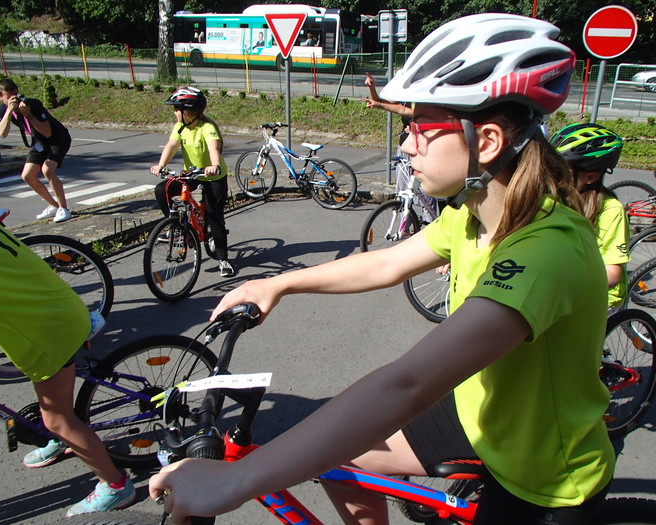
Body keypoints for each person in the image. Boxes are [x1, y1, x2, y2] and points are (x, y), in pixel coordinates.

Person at [150, 14, 615, 525]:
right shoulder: (472, 214)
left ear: (485, 141)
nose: (406, 144)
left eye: (420, 128)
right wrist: (277, 283)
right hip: (481, 412)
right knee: (343, 458)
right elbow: (390, 262)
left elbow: (408, 384)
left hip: (541, 477)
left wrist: (234, 481)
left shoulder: (545, 251)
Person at [0, 214, 136, 517]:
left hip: (45, 327)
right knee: (53, 404)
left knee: (57, 418)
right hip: (56, 304)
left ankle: (116, 485)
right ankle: (60, 438)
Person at [150, 86, 234, 277]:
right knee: (162, 189)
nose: (174, 113)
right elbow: (172, 145)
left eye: (176, 109)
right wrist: (161, 165)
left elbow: (214, 149)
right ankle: (177, 227)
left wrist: (214, 165)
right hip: (192, 174)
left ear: (187, 111)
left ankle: (223, 260)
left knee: (214, 217)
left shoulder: (207, 128)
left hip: (213, 176)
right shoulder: (180, 127)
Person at [550, 123, 630, 308]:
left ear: (590, 177)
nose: (552, 175)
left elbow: (612, 272)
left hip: (599, 297)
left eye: (561, 170)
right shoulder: (554, 199)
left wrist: (563, 286)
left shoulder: (611, 210)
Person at [0, 78, 72, 223]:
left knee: (47, 170)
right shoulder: (2, 110)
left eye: (15, 96)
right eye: (9, 97)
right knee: (27, 175)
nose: (13, 100)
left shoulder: (33, 104)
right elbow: (2, 133)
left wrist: (28, 115)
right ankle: (54, 206)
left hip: (58, 139)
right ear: (0, 97)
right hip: (39, 142)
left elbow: (47, 132)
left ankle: (64, 209)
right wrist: (9, 111)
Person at [364, 71, 438, 224]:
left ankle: (430, 225)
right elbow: (379, 100)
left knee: (426, 192)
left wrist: (380, 105)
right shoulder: (407, 93)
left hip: (422, 148)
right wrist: (372, 87)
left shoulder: (426, 96)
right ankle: (405, 227)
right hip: (405, 146)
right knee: (403, 191)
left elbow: (407, 111)